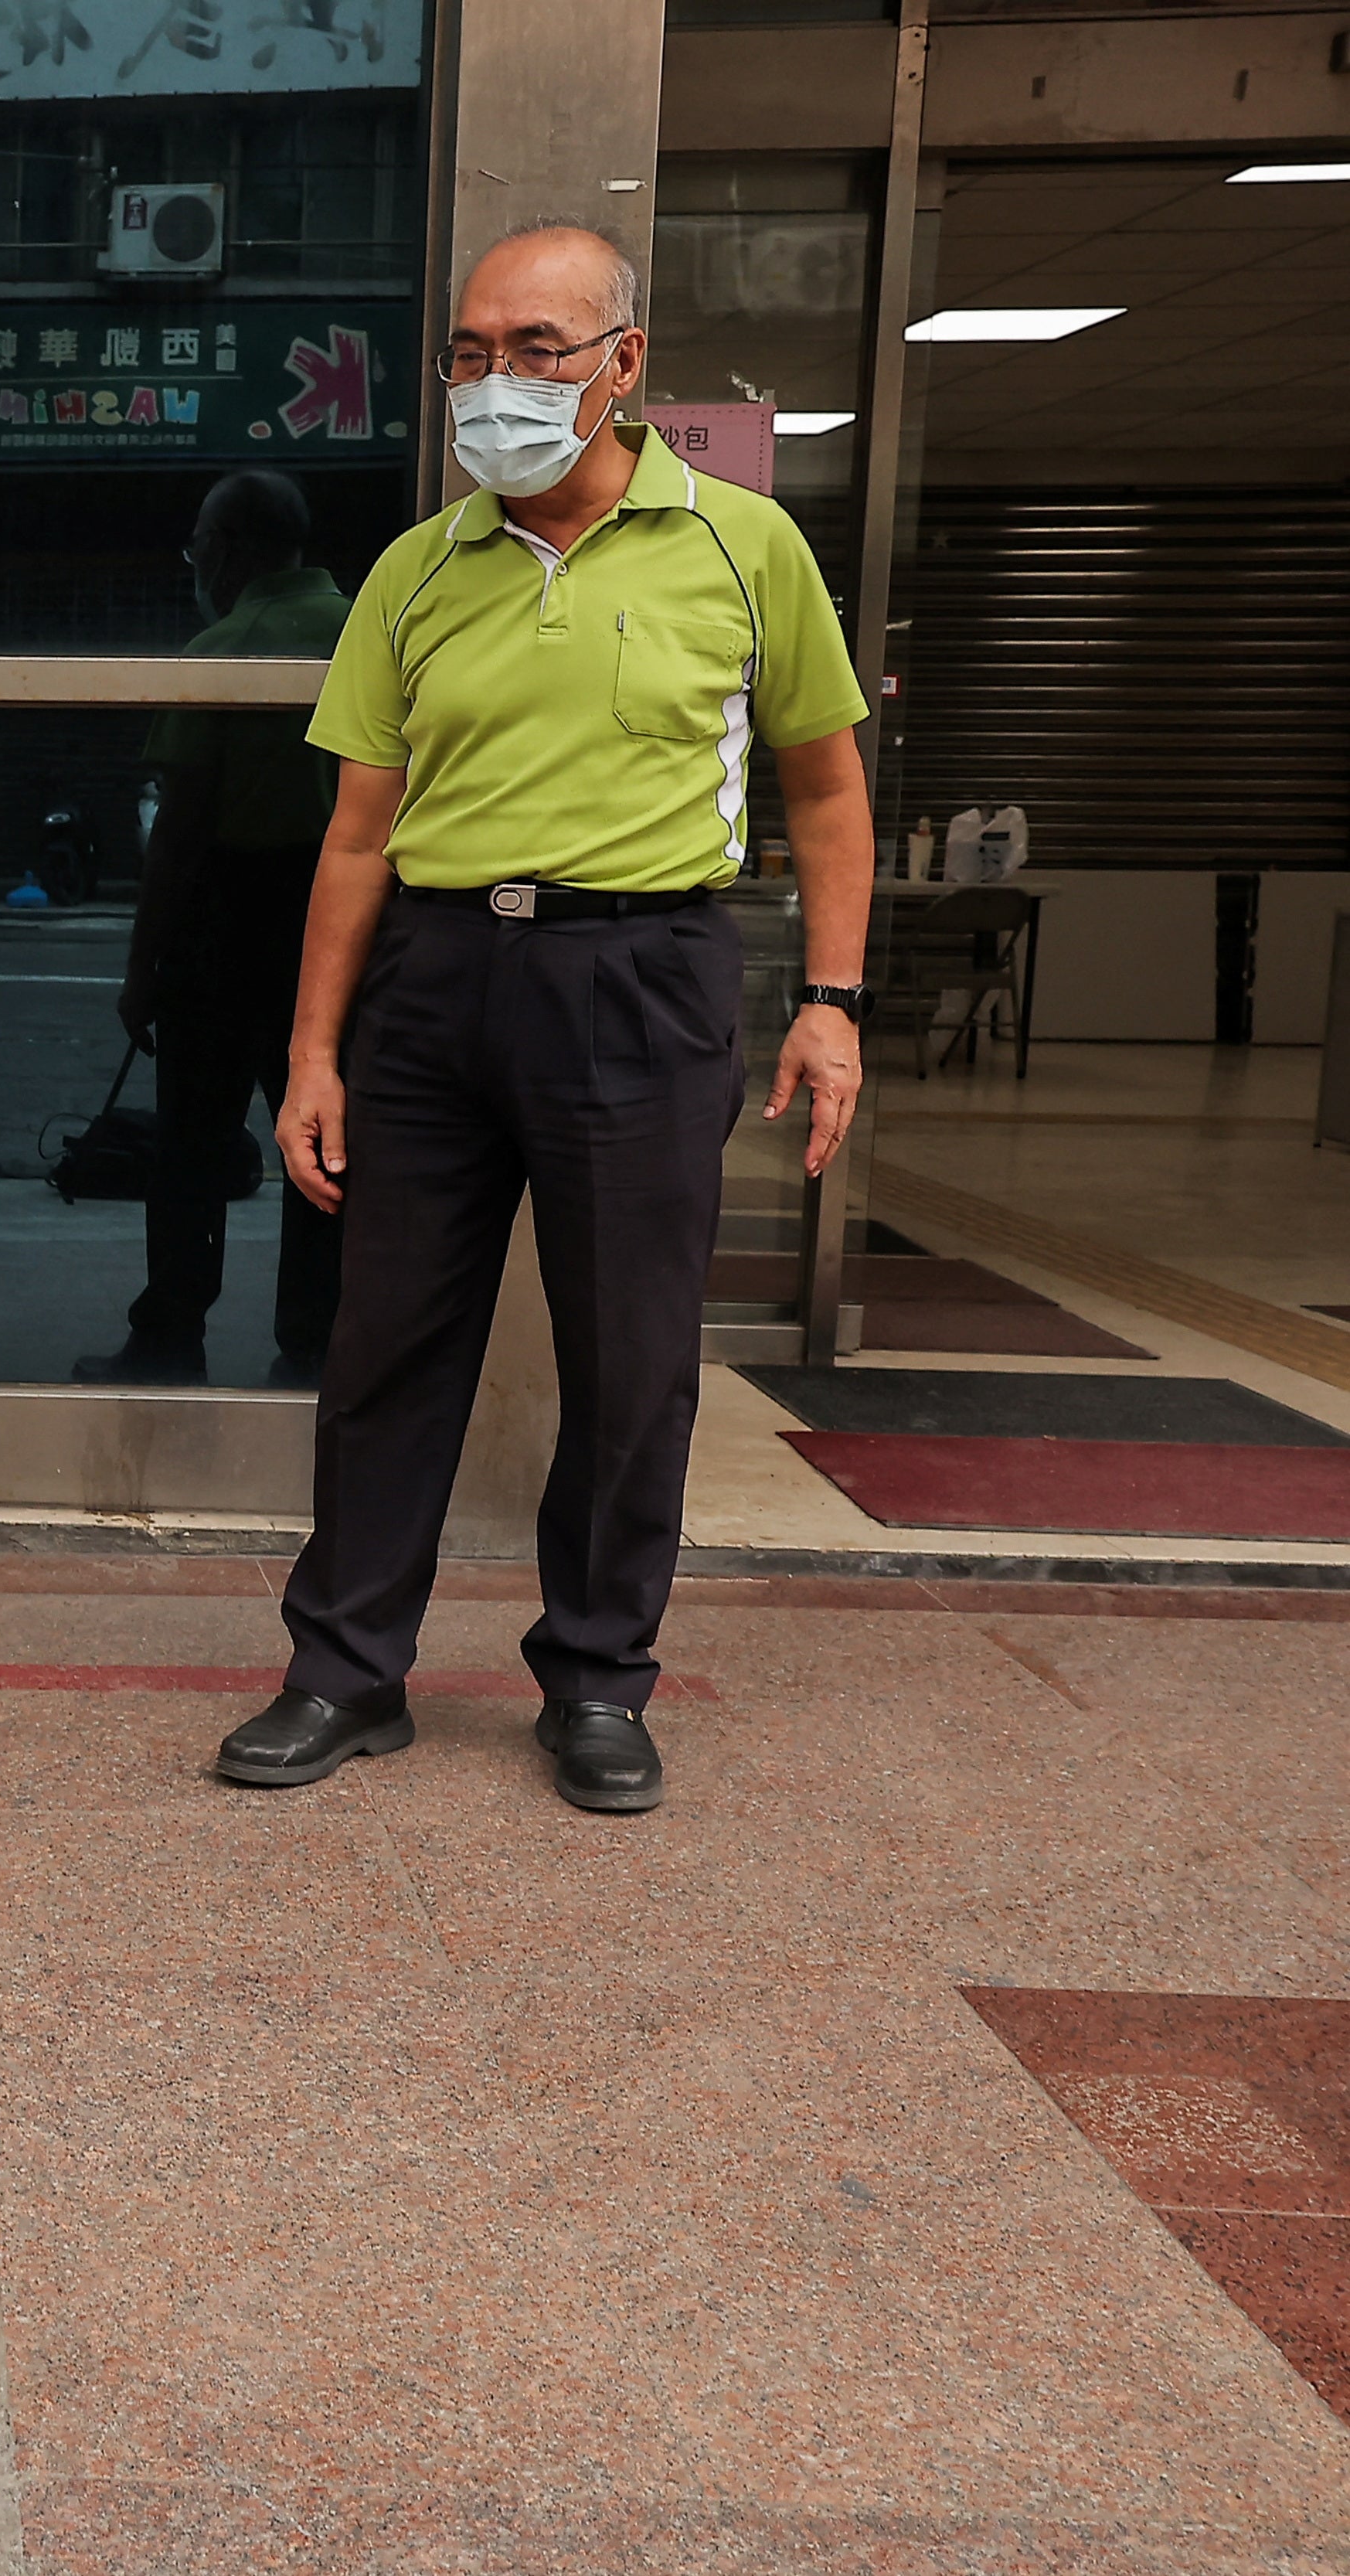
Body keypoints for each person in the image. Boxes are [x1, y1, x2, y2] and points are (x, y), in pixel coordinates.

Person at [219, 221, 872, 1815]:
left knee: (632, 1359)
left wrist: (835, 1003)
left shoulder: (740, 548)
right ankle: (344, 1671)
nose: (493, 382)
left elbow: (828, 784)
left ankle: (595, 1677)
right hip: (437, 985)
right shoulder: (414, 569)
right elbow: (358, 832)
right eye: (469, 351)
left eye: (535, 350)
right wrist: (315, 1051)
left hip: (642, 981)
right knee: (385, 1348)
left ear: (623, 365)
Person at [74, 471, 351, 1387]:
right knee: (323, 1137)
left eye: (198, 544)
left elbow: (180, 836)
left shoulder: (222, 649)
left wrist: (140, 968)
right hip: (344, 920)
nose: (196, 562)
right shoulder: (367, 634)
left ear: (227, 549)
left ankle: (169, 1330)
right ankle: (315, 1335)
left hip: (231, 915)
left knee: (192, 1143)